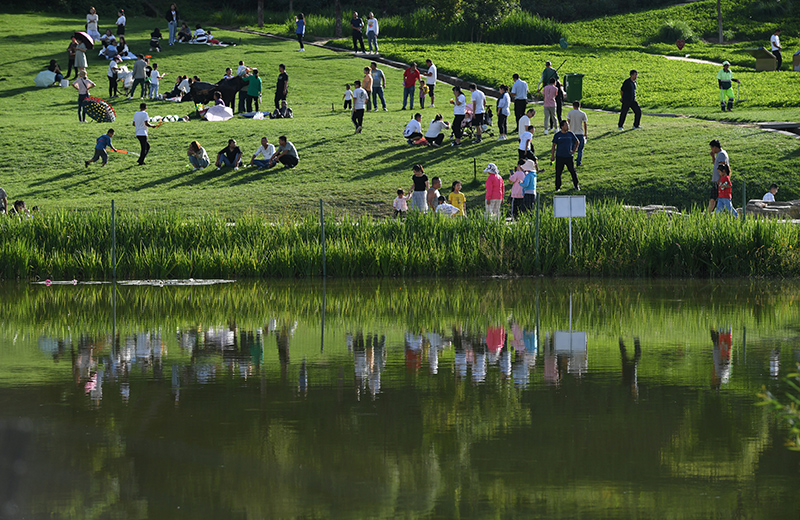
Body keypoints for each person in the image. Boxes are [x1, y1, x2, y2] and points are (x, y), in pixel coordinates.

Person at [550, 120, 580, 191]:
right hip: (560, 157)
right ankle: (557, 187)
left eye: (568, 125)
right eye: (566, 125)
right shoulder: (557, 135)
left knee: (573, 171)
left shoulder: (570, 134)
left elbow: (577, 142)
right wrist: (552, 156)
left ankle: (576, 185)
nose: (568, 126)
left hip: (569, 157)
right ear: (562, 127)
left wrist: (574, 150)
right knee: (558, 173)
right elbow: (554, 145)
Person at [709, 139, 729, 214]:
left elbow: (722, 168)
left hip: (719, 180)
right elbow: (716, 164)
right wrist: (713, 156)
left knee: (714, 197)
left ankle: (710, 212)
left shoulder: (721, 154)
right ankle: (715, 212)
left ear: (715, 147)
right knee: (715, 197)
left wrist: (720, 179)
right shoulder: (720, 154)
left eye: (711, 148)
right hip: (717, 180)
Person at [566, 101, 588, 166]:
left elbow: (568, 122)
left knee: (572, 148)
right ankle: (578, 162)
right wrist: (585, 133)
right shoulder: (582, 114)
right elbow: (585, 124)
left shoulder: (570, 113)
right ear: (579, 106)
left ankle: (570, 162)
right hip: (580, 133)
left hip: (572, 132)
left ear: (573, 106)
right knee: (580, 149)